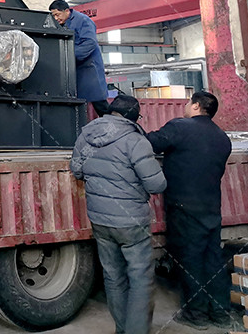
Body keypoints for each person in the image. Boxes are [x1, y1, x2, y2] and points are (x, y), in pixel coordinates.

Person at [70, 94, 166, 334]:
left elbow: (77, 170)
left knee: (113, 277)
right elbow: (157, 185)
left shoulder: (87, 135)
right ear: (133, 117)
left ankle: (122, 329)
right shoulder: (136, 141)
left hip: (100, 220)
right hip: (131, 222)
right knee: (140, 278)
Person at [146, 91, 232, 330]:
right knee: (213, 259)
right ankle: (221, 313)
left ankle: (196, 314)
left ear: (195, 106)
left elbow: (150, 142)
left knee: (190, 260)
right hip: (211, 206)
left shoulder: (180, 127)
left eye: (188, 102)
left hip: (184, 207)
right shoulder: (222, 137)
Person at [49, 0, 109, 116]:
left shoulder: (83, 21)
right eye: (53, 16)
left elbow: (90, 43)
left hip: (89, 67)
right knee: (77, 103)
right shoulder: (60, 24)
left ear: (67, 11)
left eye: (57, 14)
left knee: (99, 102)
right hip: (74, 69)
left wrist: (69, 57)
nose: (56, 18)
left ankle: (113, 124)